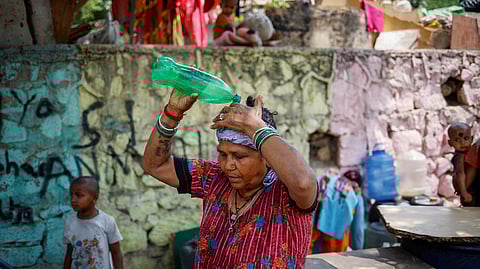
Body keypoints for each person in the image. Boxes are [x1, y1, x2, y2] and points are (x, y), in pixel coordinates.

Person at [143, 89, 319, 268]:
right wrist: (172, 114)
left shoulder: (285, 193)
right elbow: (155, 166)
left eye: (239, 156)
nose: (228, 165)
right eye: (223, 154)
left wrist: (255, 127)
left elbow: (304, 183)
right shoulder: (214, 177)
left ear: (266, 157)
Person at [64, 176, 124, 269]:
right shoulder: (70, 222)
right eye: (71, 195)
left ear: (94, 197)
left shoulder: (107, 221)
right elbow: (69, 253)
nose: (73, 200)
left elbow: (116, 253)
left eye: (79, 195)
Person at [447, 122, 479, 206]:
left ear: (471, 139)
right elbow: (460, 173)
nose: (462, 142)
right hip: (468, 191)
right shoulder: (459, 157)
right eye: (457, 140)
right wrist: (464, 192)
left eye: (466, 138)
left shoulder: (470, 152)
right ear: (450, 143)